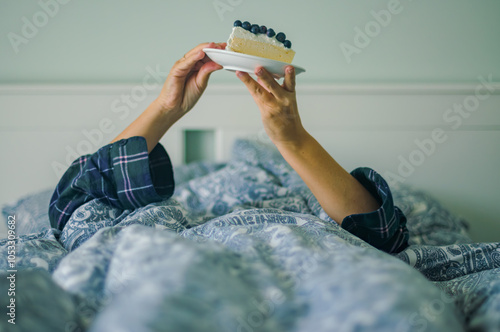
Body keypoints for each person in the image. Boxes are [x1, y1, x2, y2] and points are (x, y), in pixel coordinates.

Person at [49, 42, 409, 254]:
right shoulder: (148, 210)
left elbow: (381, 234)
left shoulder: (299, 193)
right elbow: (76, 200)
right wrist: (166, 109)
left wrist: (292, 139)